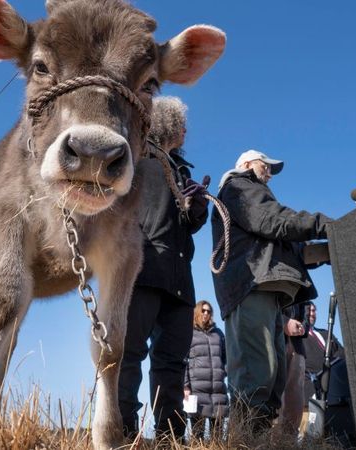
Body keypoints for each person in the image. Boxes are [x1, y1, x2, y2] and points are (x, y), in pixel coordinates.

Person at [210, 149, 333, 432]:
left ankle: (258, 437)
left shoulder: (251, 193)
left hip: (267, 289)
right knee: (257, 371)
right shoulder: (239, 186)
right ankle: (246, 440)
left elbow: (281, 238)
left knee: (272, 374)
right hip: (251, 286)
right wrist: (325, 225)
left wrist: (325, 250)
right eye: (265, 166)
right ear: (246, 165)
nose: (269, 173)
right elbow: (271, 219)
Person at [117, 97, 209, 440]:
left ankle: (170, 438)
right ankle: (123, 436)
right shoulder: (135, 159)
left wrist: (197, 209)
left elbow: (184, 224)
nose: (187, 132)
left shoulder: (182, 171)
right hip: (141, 273)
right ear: (173, 128)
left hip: (180, 282)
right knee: (129, 355)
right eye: (184, 125)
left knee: (171, 363)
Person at [183, 300, 229, 442]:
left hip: (217, 391)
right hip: (197, 391)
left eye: (209, 311)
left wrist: (222, 372)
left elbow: (226, 357)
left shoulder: (218, 333)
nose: (206, 313)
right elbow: (183, 361)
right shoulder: (189, 334)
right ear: (197, 312)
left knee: (217, 438)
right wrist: (185, 385)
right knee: (198, 437)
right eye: (203, 310)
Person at [279, 301, 311, 436]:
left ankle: (288, 439)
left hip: (296, 347)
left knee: (295, 396)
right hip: (275, 341)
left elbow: (306, 312)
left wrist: (301, 327)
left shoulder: (302, 287)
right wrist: (284, 322)